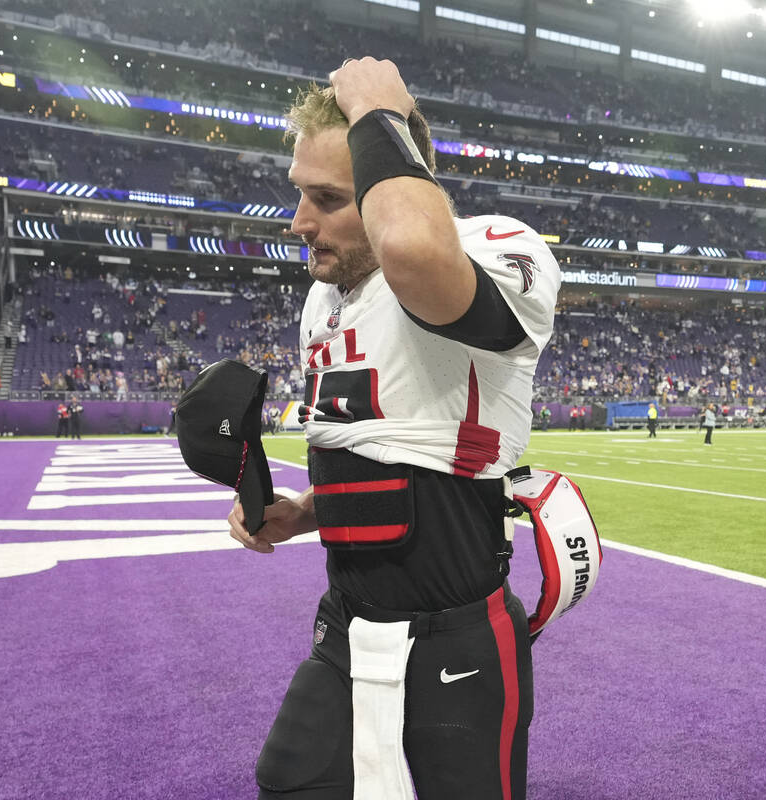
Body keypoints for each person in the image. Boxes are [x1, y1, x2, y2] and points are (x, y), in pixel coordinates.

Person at [226, 58, 559, 800]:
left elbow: (413, 249)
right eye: (299, 194)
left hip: (457, 631)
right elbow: (383, 440)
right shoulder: (328, 299)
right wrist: (306, 511)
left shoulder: (490, 245)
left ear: (389, 179)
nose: (299, 222)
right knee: (290, 778)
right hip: (345, 619)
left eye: (328, 198)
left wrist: (379, 106)